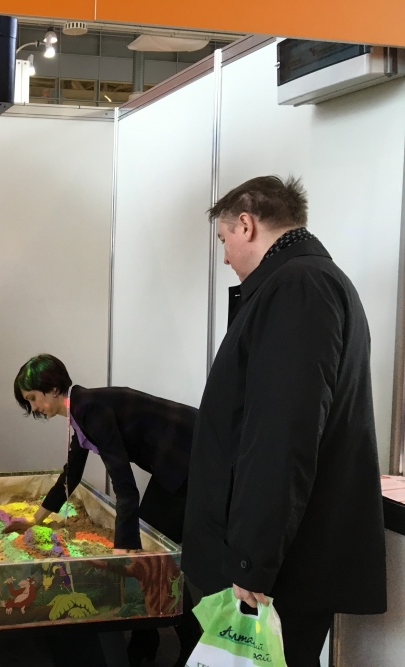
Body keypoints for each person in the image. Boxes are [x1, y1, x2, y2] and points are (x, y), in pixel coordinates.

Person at [183, 176, 387, 667]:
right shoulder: (308, 282)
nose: (225, 258)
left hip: (275, 571)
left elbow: (281, 436)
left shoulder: (299, 286)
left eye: (223, 240)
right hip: (280, 560)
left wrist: (251, 561)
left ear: (246, 225)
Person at [10, 354, 200, 667]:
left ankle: (190, 643)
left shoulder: (91, 410)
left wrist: (123, 549)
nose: (33, 407)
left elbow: (125, 485)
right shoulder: (81, 409)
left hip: (192, 458)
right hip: (175, 463)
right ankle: (145, 639)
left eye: (32, 398)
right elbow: (71, 473)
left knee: (157, 557)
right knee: (150, 550)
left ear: (53, 389)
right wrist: (34, 520)